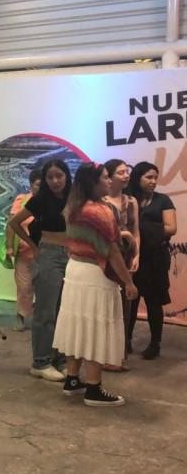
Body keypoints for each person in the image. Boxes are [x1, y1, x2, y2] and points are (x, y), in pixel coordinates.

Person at [52, 163, 137, 407]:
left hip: (75, 270)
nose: (109, 181)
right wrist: (128, 282)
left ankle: (72, 379)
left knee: (77, 323)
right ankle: (93, 387)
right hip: (95, 274)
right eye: (106, 177)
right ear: (93, 182)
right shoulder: (100, 211)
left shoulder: (73, 207)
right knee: (96, 327)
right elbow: (111, 251)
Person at [9, 159, 72, 382]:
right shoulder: (41, 199)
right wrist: (34, 246)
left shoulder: (73, 197)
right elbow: (15, 223)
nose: (55, 181)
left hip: (71, 255)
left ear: (66, 175)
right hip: (49, 255)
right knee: (46, 311)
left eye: (59, 176)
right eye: (50, 177)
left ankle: (60, 359)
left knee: (64, 310)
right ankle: (41, 362)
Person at [127, 162, 177, 360]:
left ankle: (155, 343)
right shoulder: (128, 199)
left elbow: (171, 228)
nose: (153, 181)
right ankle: (126, 340)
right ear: (137, 177)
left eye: (155, 177)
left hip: (155, 258)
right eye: (149, 177)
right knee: (130, 302)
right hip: (132, 257)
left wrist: (140, 228)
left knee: (154, 302)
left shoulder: (163, 200)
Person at [103, 159, 139, 372]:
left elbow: (136, 232)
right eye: (121, 172)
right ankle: (104, 354)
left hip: (127, 257)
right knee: (107, 304)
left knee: (125, 305)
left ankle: (118, 355)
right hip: (106, 257)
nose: (126, 176)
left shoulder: (131, 201)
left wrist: (137, 255)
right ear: (109, 176)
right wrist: (123, 234)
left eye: (127, 172)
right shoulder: (100, 201)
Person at [5, 168, 41, 332]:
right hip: (24, 253)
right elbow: (11, 224)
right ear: (31, 185)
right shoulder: (22, 200)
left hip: (45, 254)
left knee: (43, 288)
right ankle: (20, 316)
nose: (41, 188)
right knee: (24, 287)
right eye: (38, 184)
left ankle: (41, 317)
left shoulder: (51, 202)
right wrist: (9, 246)